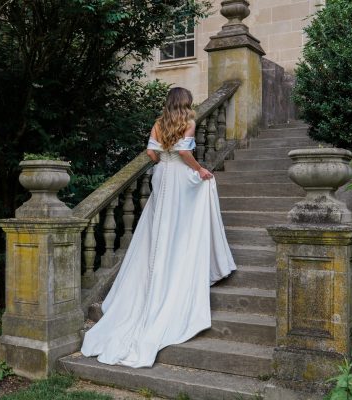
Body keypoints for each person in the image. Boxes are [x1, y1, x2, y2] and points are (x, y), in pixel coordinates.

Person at [80, 87, 236, 368]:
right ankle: (180, 256)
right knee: (191, 202)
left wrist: (165, 158)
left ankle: (166, 258)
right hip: (177, 174)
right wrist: (199, 169)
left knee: (160, 221)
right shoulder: (188, 122)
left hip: (161, 174)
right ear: (185, 103)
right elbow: (185, 154)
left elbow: (151, 154)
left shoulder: (159, 122)